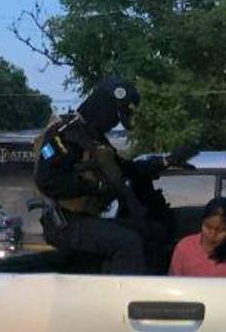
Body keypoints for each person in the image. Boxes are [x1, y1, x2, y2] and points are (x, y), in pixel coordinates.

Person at [32, 77, 196, 274]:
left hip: (85, 219)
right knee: (128, 242)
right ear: (103, 107)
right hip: (63, 222)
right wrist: (96, 188)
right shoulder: (64, 136)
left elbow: (127, 169)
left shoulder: (95, 141)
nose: (114, 123)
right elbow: (47, 181)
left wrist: (166, 161)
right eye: (115, 116)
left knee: (150, 232)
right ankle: (121, 300)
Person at [169, 197, 226, 278]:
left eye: (221, 230)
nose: (212, 234)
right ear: (202, 222)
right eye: (208, 227)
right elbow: (173, 285)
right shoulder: (184, 247)